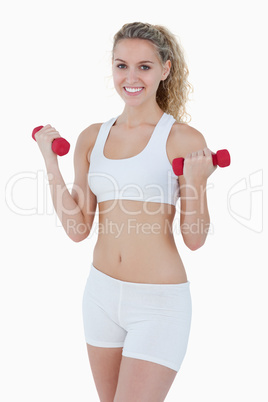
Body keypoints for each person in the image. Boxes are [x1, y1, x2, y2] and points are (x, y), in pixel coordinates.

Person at [35, 22, 216, 402]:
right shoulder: (91, 137)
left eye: (144, 67)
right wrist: (50, 162)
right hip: (100, 294)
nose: (131, 78)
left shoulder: (182, 138)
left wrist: (196, 183)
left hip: (159, 303)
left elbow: (195, 239)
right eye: (121, 66)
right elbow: (77, 229)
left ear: (165, 69)